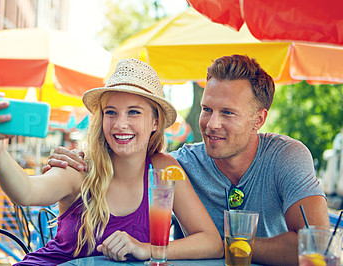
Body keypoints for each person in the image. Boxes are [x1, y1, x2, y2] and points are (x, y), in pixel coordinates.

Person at [43, 55, 330, 265]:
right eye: (207, 109)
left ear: (259, 119)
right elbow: (125, 160)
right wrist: (81, 159)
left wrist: (228, 245)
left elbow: (315, 247)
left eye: (227, 113)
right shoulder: (176, 166)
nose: (211, 124)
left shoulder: (287, 156)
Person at [0, 58, 223, 265]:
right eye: (110, 112)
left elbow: (212, 242)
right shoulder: (79, 167)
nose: (120, 124)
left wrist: (148, 249)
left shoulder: (164, 170)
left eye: (133, 112)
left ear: (155, 122)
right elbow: (26, 191)